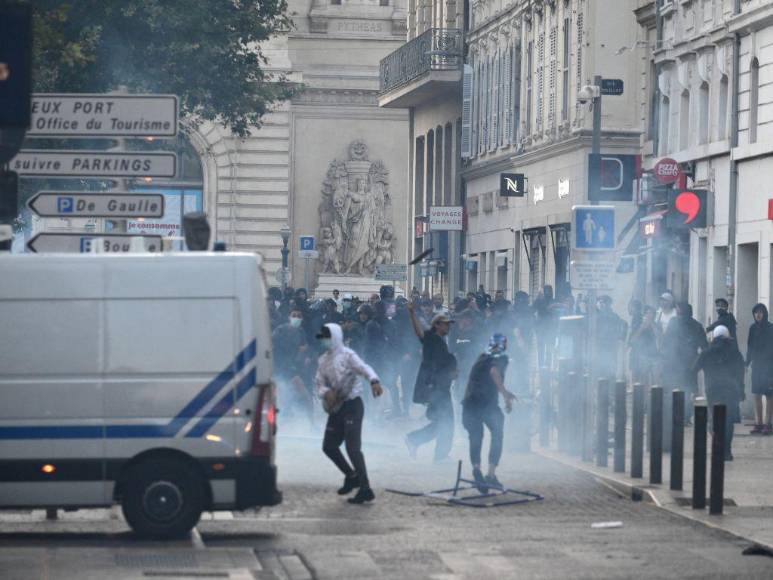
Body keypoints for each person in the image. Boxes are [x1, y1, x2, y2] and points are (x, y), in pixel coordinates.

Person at [315, 323, 384, 504]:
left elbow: (365, 368)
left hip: (353, 405)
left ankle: (365, 488)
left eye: (327, 336)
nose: (324, 340)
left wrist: (374, 381)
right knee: (329, 446)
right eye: (322, 337)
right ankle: (351, 475)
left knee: (353, 448)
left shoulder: (348, 355)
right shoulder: (322, 360)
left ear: (336, 337)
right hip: (335, 408)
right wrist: (326, 393)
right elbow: (319, 383)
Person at [462, 333, 517, 491]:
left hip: (469, 403)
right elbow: (494, 372)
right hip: (486, 404)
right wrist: (505, 394)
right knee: (497, 433)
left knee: (476, 436)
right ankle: (490, 475)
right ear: (504, 345)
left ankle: (477, 469)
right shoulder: (501, 357)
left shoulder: (482, 357)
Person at [405, 304, 457, 462]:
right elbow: (419, 332)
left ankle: (415, 440)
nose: (448, 326)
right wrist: (412, 313)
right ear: (437, 325)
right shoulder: (432, 338)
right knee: (446, 421)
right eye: (446, 323)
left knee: (442, 421)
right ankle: (439, 455)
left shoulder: (441, 341)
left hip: (441, 386)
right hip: (435, 388)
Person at [694, 326, 745, 461]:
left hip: (713, 390)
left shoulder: (707, 352)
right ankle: (727, 451)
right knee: (728, 421)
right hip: (731, 390)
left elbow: (694, 369)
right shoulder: (734, 352)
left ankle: (717, 447)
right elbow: (741, 372)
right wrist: (741, 390)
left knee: (714, 418)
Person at [272, 308, 314, 425]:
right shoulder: (281, 329)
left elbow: (305, 347)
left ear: (302, 319)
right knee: (280, 393)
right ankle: (281, 419)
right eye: (294, 315)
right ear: (289, 317)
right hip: (279, 365)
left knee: (304, 393)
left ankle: (312, 422)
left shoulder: (301, 332)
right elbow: (273, 343)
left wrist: (305, 355)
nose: (296, 318)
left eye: (299, 316)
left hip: (292, 366)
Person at [746, 303, 773, 434]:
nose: (758, 315)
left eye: (761, 312)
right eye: (756, 312)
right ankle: (759, 423)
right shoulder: (752, 328)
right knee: (756, 394)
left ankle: (768, 424)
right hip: (756, 366)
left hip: (769, 367)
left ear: (765, 313)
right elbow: (749, 347)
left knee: (769, 395)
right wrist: (746, 363)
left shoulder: (771, 328)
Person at [628, 305, 658, 385]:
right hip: (636, 353)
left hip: (650, 354)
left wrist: (651, 324)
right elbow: (631, 340)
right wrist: (641, 328)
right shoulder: (637, 324)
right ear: (644, 314)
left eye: (651, 313)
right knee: (635, 376)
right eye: (647, 313)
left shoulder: (656, 325)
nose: (649, 315)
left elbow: (659, 337)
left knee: (646, 377)